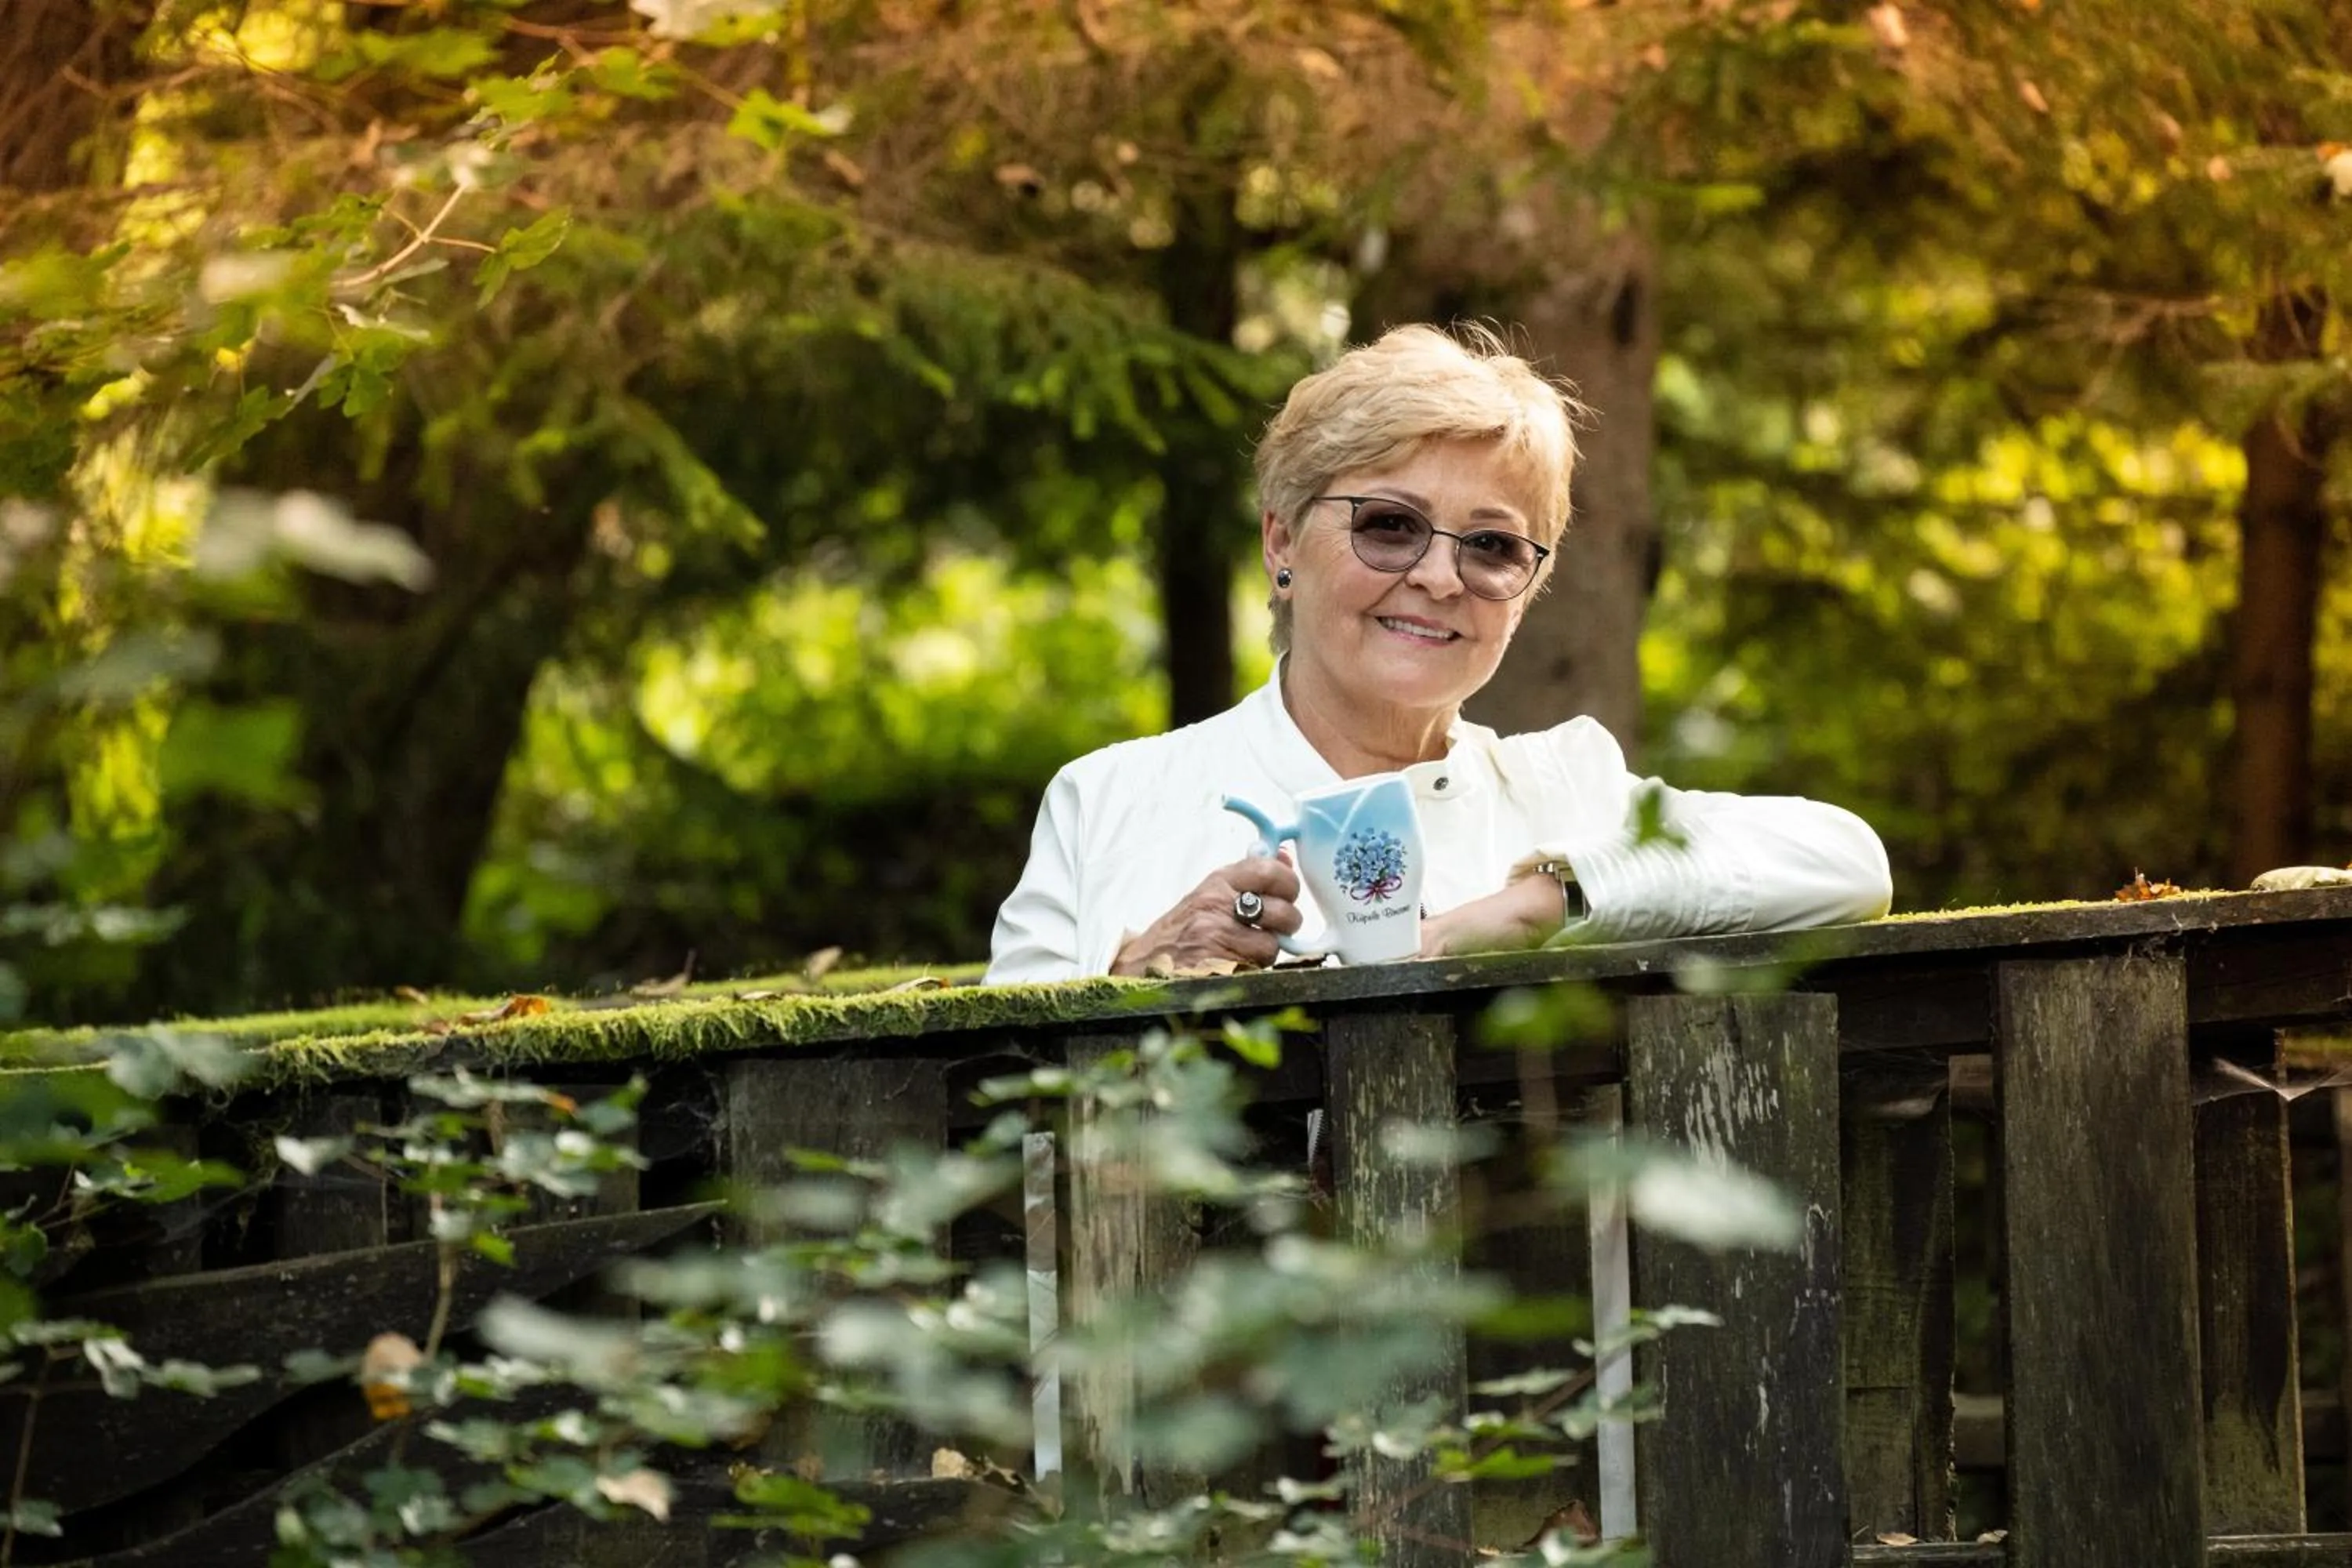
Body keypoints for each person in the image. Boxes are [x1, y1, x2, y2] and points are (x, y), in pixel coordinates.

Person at [985, 324, 1891, 983]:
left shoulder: (1558, 790)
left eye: (1491, 545)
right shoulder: (1107, 801)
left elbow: (1847, 862)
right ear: (1281, 542)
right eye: (1390, 525)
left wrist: (1528, 908)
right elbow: (997, 1124)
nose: (1440, 577)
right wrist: (1130, 977)